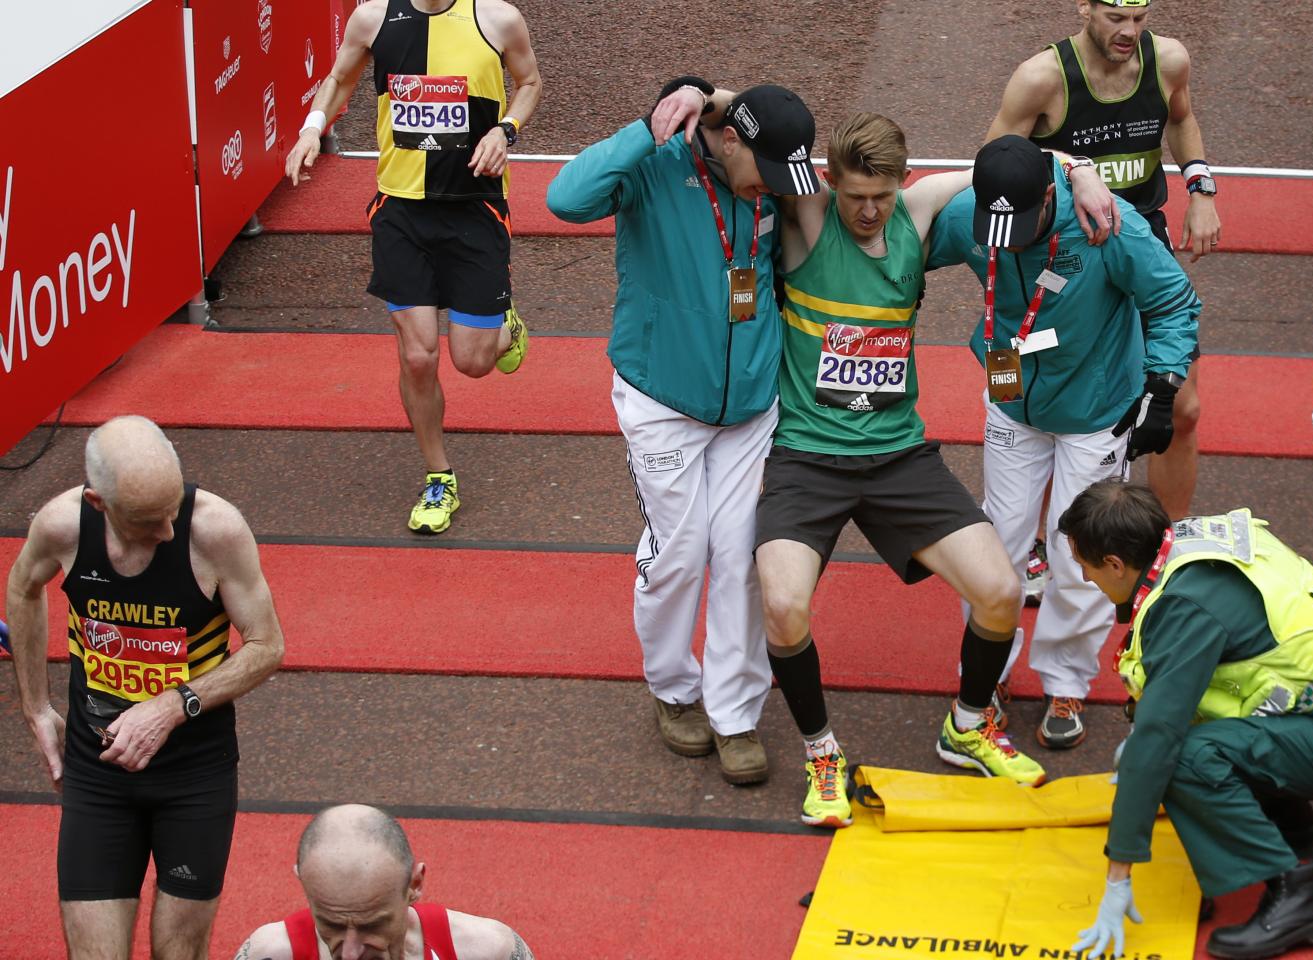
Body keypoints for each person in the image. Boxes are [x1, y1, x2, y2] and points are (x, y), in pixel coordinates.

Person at [651, 95, 1102, 825]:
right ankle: (823, 754)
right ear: (829, 180)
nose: (869, 212)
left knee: (998, 588)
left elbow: (1011, 160)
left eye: (881, 197)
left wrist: (1080, 171)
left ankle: (968, 725)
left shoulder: (915, 211)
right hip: (808, 460)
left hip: (898, 458)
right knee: (784, 604)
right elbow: (766, 115)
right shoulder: (808, 215)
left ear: (901, 184)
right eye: (857, 197)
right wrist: (716, 96)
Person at [545, 81, 823, 786]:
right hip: (661, 398)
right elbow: (564, 199)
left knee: (740, 555)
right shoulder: (655, 163)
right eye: (765, 169)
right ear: (730, 142)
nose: (774, 188)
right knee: (680, 550)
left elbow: (833, 195)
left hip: (752, 404)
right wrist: (645, 129)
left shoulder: (767, 168)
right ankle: (673, 689)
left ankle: (734, 714)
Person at [926, 135, 1201, 751]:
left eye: (1023, 226)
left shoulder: (1109, 223)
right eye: (997, 230)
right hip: (1011, 397)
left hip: (1097, 409)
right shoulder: (970, 216)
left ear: (1050, 196)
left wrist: (1162, 384)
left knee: (1083, 546)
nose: (1010, 241)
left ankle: (1066, 678)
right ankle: (986, 674)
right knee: (997, 540)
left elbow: (1175, 301)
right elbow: (904, 241)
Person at [1058, 479, 1313, 960]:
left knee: (1181, 758)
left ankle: (1298, 895)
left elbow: (1160, 739)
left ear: (1115, 563)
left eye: (1085, 566)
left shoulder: (1183, 607)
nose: (1087, 578)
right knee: (1183, 734)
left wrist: (1118, 875)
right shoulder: (1192, 548)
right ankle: (1293, 834)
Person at [5, 416, 286, 960]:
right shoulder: (62, 526)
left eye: (170, 512)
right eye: (145, 522)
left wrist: (172, 706)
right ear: (97, 503)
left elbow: (267, 646)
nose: (165, 533)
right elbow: (22, 587)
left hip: (194, 775)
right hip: (97, 774)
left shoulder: (216, 530)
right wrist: (35, 708)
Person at [284, 0, 541, 535]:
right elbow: (337, 78)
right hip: (401, 210)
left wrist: (506, 131)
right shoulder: (372, 18)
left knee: (471, 362)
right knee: (419, 356)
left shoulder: (498, 19)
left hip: (475, 208)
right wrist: (312, 127)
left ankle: (503, 325)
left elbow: (530, 81)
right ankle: (439, 476)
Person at [988, 0, 1223, 522]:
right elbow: (995, 161)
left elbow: (1181, 119)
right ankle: (1043, 544)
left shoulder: (1168, 61)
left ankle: (1166, 548)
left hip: (1140, 242)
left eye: (1139, 20)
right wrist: (1074, 167)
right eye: (1116, 18)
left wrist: (1201, 188)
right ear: (1084, 8)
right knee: (1051, 404)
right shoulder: (1041, 78)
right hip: (1068, 252)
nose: (1129, 32)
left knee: (1183, 409)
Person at [232, 804, 535, 960]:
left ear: (414, 884)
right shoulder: (269, 954)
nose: (351, 953)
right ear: (305, 885)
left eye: (371, 925)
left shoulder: (486, 952)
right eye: (332, 925)